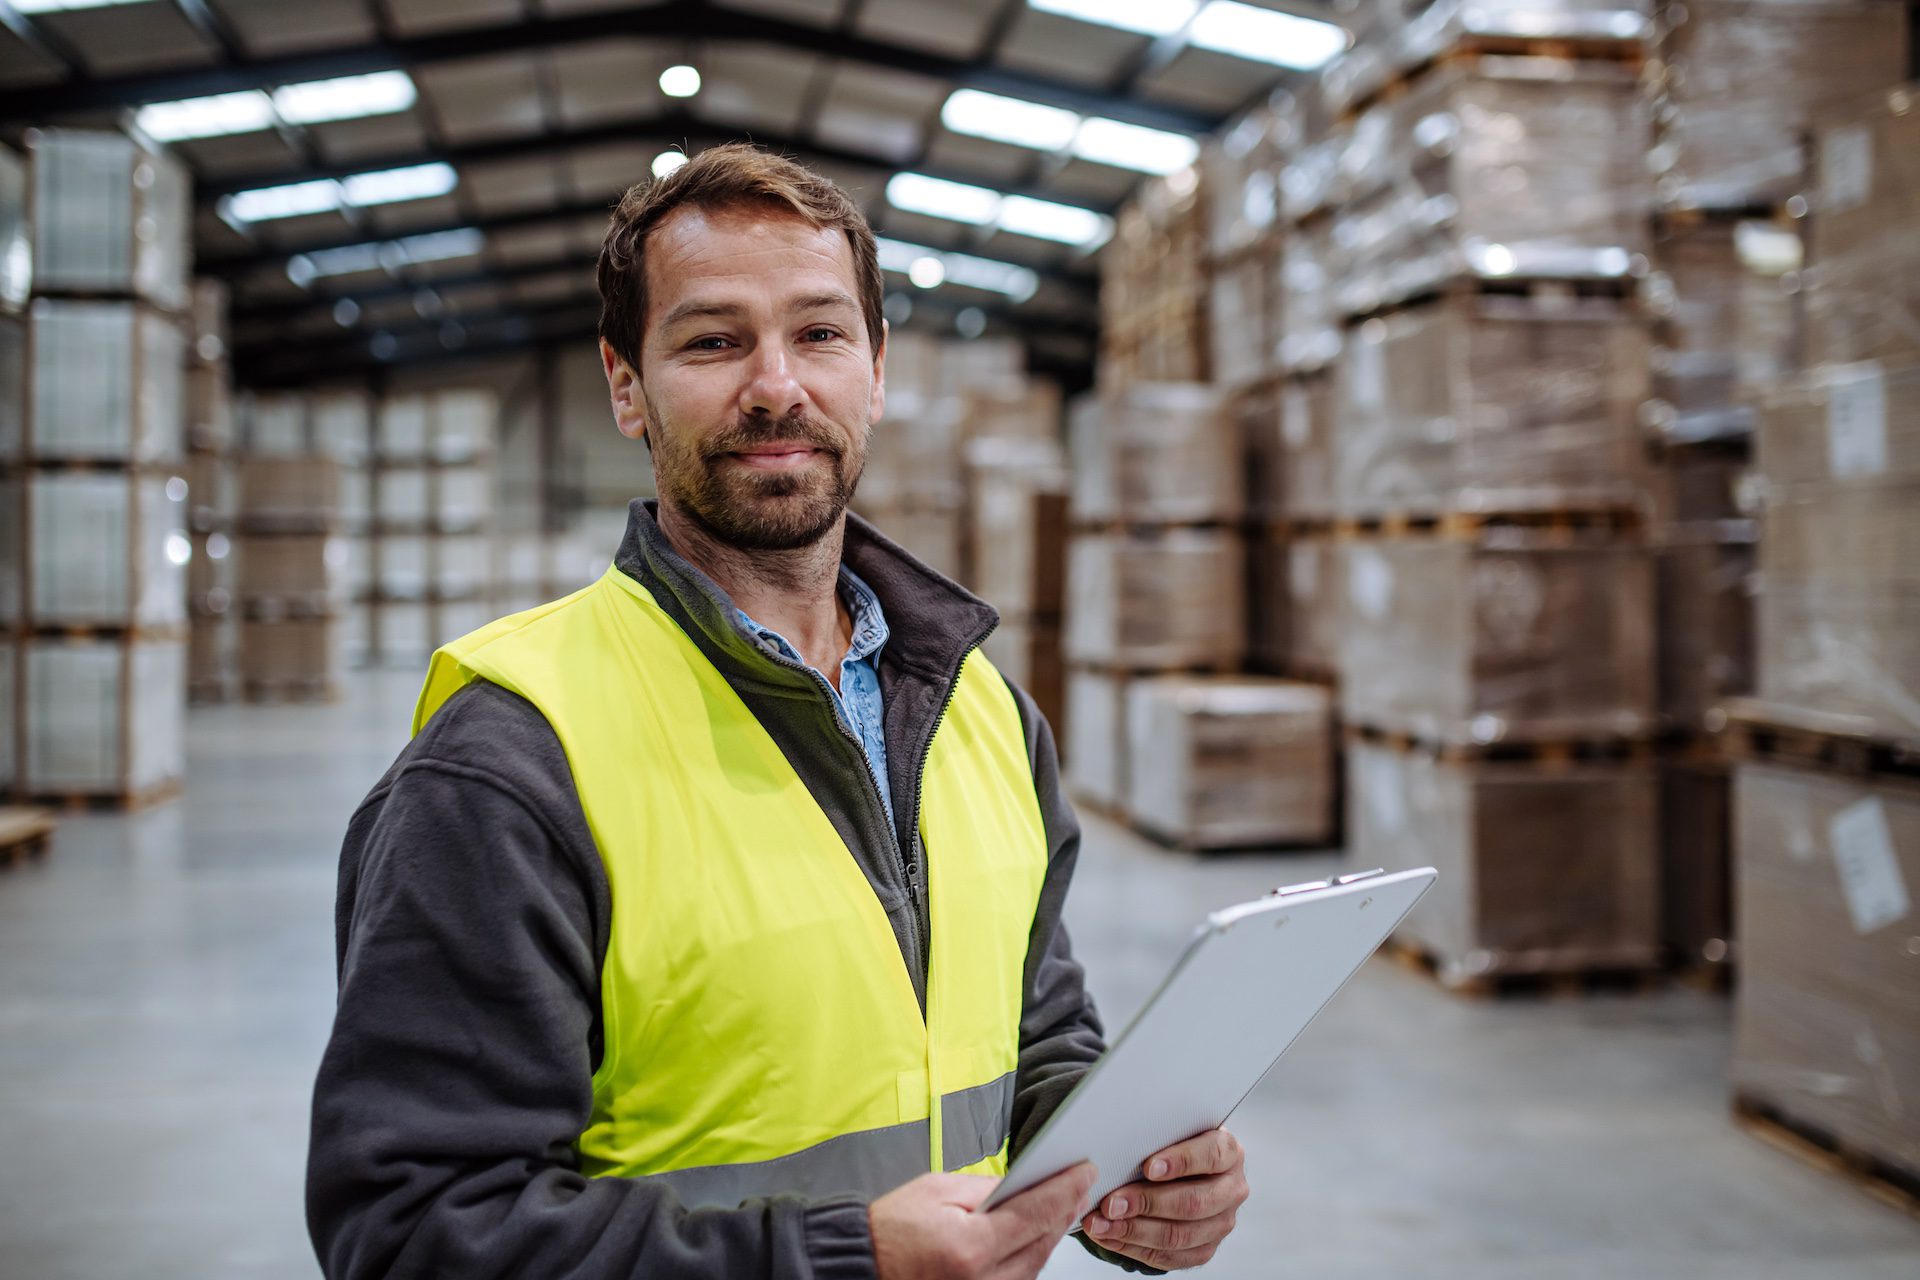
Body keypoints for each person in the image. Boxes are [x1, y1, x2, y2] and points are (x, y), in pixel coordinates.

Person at [307, 143, 1248, 1279]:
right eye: (712, 340)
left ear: (876, 368)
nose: (777, 386)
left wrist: (1127, 1173)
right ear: (624, 384)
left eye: (819, 333)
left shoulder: (984, 708)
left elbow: (1033, 1035)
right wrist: (845, 1258)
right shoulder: (509, 762)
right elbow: (412, 1232)